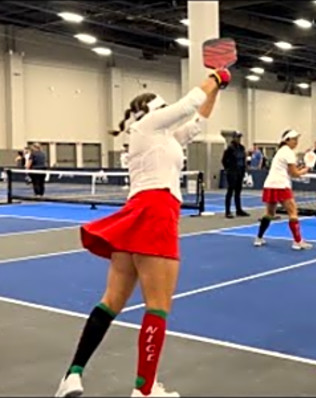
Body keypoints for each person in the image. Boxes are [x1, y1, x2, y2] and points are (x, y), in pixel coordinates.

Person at [54, 68, 231, 398]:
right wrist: (216, 77)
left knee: (111, 302)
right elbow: (190, 103)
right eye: (163, 109)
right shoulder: (147, 126)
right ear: (154, 111)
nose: (168, 114)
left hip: (136, 216)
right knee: (158, 306)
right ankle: (145, 391)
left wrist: (217, 91)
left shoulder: (161, 139)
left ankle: (71, 376)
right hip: (156, 213)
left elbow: (198, 121)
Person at [254, 129, 312, 250]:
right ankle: (297, 242)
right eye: (294, 139)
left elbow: (288, 170)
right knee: (293, 213)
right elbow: (294, 173)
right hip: (281, 185)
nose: (296, 142)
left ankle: (258, 238)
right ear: (287, 140)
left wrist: (299, 169)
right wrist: (305, 170)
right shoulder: (288, 152)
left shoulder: (281, 151)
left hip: (270, 184)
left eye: (297, 139)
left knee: (270, 214)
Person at [222, 131, 249, 218]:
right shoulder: (230, 148)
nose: (238, 139)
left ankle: (239, 210)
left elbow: (244, 159)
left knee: (238, 192)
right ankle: (228, 211)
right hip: (232, 172)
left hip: (240, 172)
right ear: (233, 138)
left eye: (239, 137)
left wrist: (244, 169)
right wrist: (228, 169)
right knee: (230, 191)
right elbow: (224, 160)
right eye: (237, 137)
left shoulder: (242, 148)